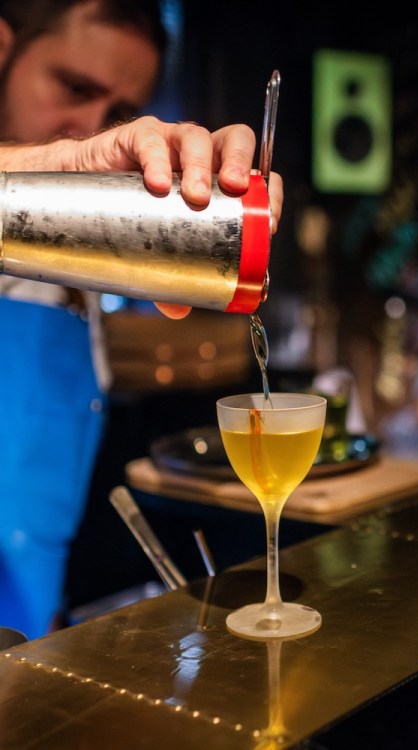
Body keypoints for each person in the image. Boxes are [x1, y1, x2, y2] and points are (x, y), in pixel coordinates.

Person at [0, 0, 283, 640]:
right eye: (73, 87)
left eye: (118, 114)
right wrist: (58, 165)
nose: (87, 128)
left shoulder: (73, 291)